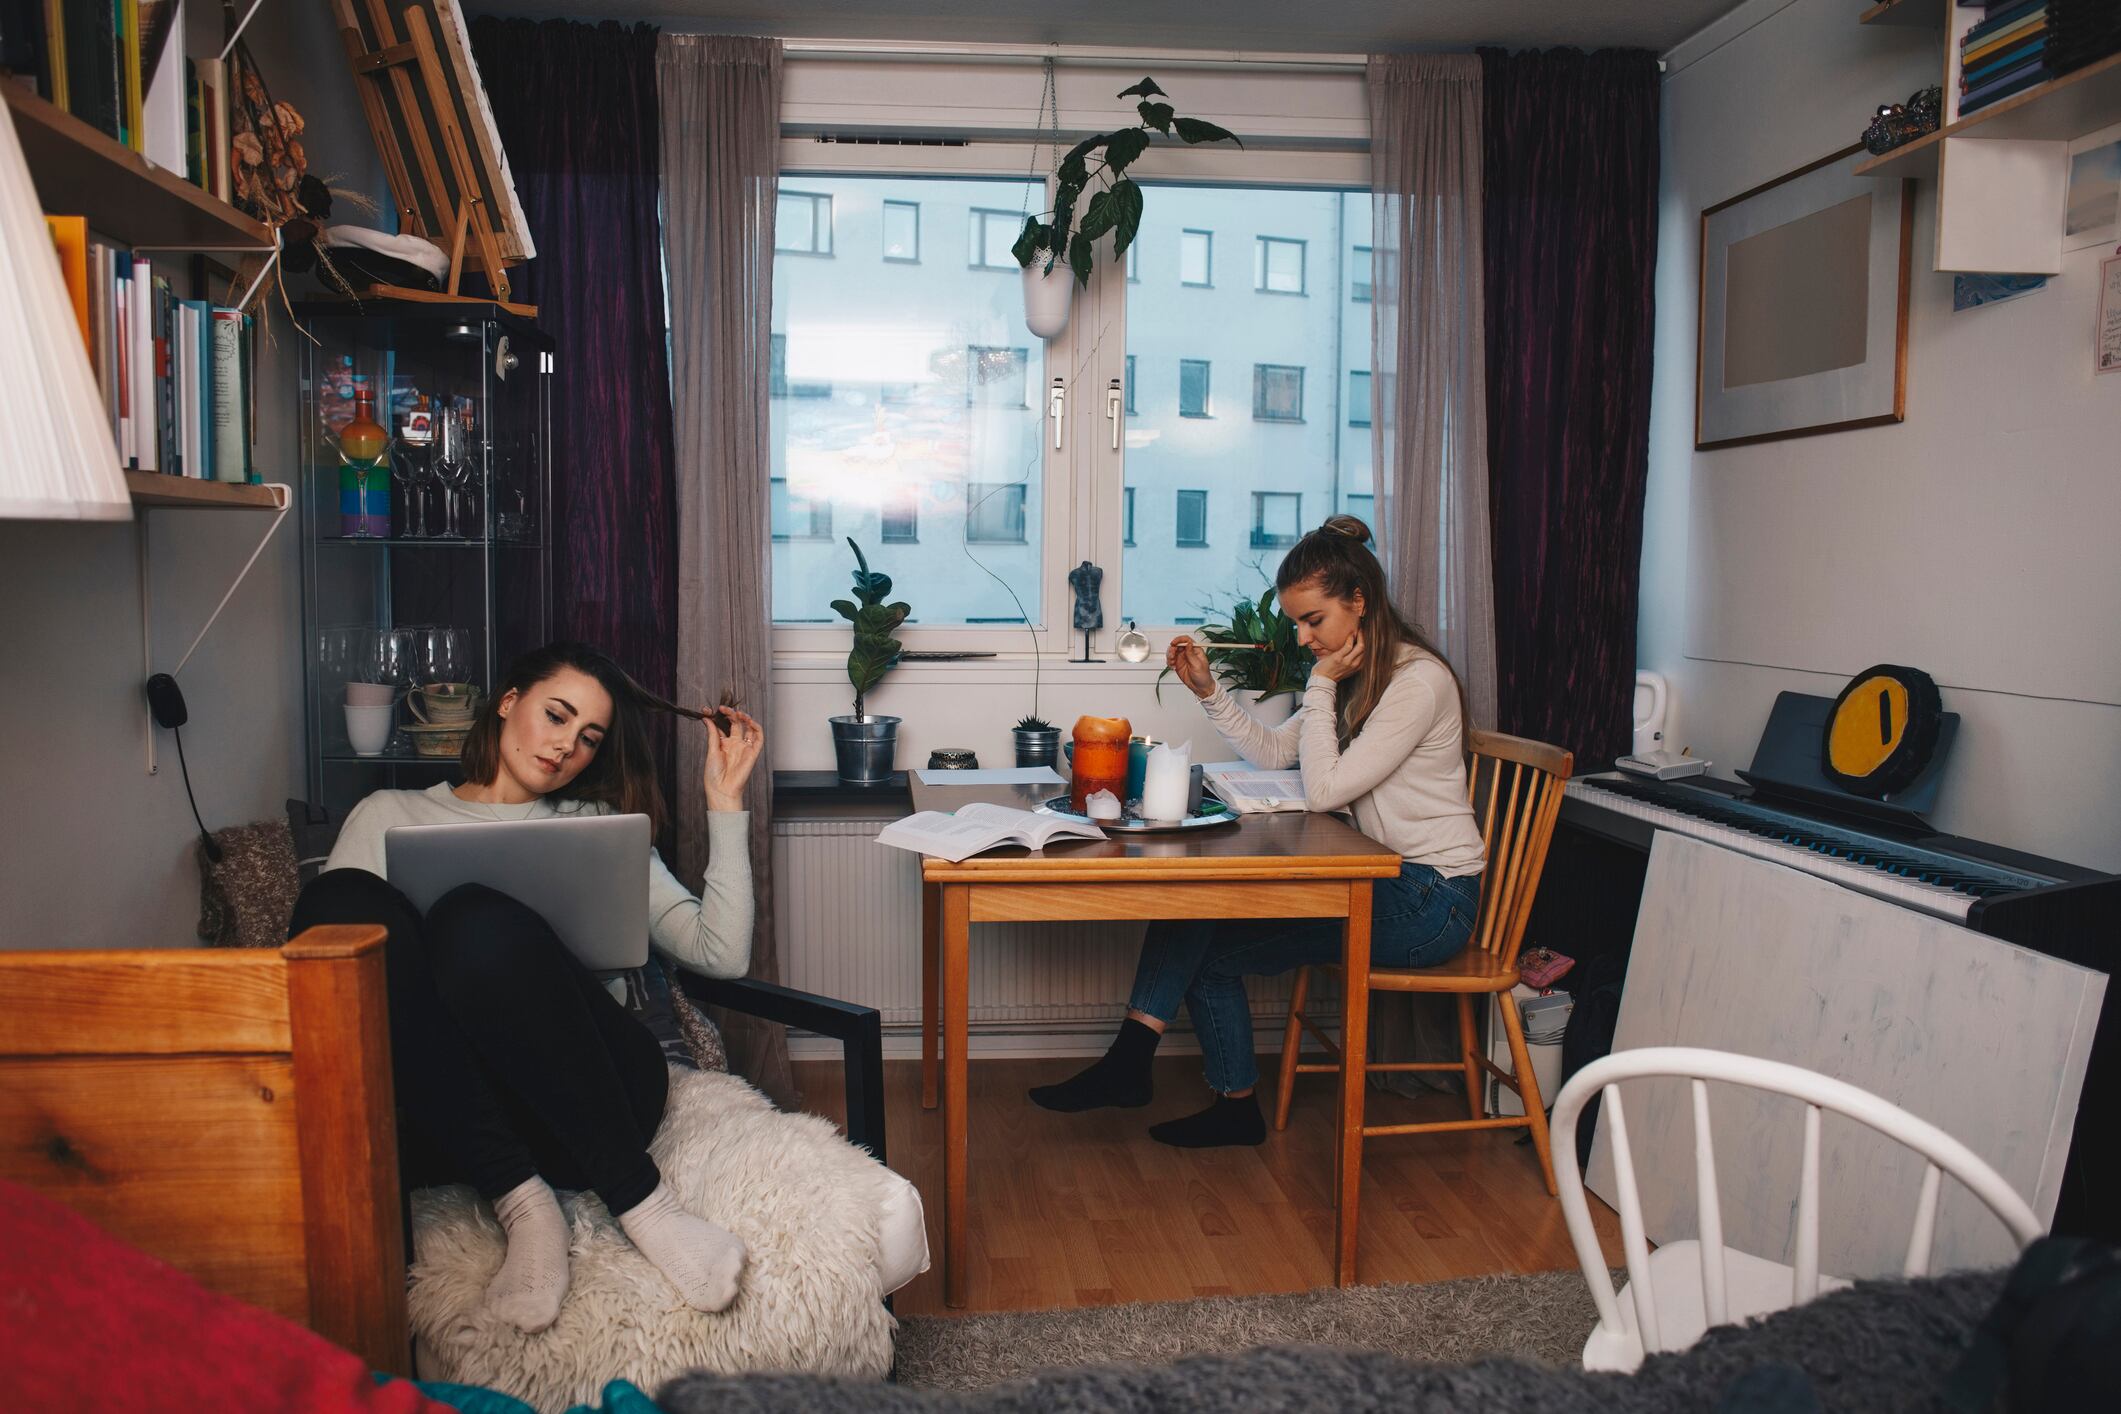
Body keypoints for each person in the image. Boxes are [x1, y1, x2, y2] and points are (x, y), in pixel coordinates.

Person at [292, 641, 765, 1332]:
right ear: (509, 701)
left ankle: (645, 1204)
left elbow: (720, 954)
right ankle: (522, 1202)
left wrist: (724, 804)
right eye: (556, 715)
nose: (565, 745)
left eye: (587, 737)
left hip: (597, 1096)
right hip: (453, 1124)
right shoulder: (385, 813)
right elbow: (338, 998)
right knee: (336, 903)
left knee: (471, 921)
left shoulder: (596, 826)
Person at [1029, 516, 1486, 1148]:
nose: (1302, 638)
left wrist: (1323, 687)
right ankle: (1144, 1068)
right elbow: (1275, 754)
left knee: (1211, 947)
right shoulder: (1357, 674)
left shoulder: (1417, 682)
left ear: (1359, 602)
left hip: (1431, 901)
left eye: (1313, 621)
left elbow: (1324, 789)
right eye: (1297, 622)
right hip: (1383, 879)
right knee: (1196, 902)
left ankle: (1181, 1085)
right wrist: (1210, 692)